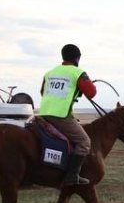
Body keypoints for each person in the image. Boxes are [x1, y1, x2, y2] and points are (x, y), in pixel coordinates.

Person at [37, 43, 98, 186]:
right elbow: (92, 93)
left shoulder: (50, 73)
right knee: (84, 142)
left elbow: (42, 92)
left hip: (44, 113)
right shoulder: (78, 73)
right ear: (77, 59)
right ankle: (72, 176)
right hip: (61, 115)